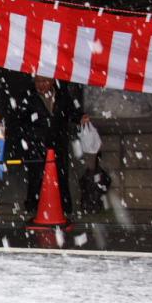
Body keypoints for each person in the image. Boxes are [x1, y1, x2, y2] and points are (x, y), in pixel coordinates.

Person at [17, 75, 89, 215]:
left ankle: (64, 208)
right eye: (38, 81)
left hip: (58, 143)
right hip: (36, 144)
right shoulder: (29, 98)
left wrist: (80, 117)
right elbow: (20, 121)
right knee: (36, 177)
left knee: (61, 176)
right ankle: (33, 208)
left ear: (52, 82)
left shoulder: (62, 97)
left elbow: (70, 112)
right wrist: (30, 138)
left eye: (44, 81)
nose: (41, 85)